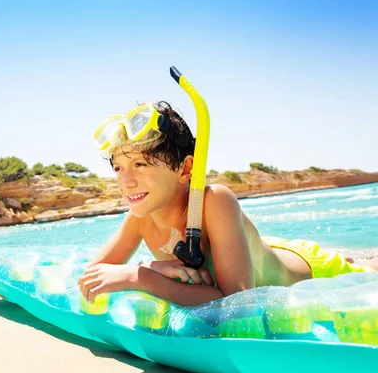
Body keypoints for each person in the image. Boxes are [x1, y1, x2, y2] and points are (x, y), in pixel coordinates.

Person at [78, 101, 377, 306]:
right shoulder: (140, 214)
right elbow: (90, 278)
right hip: (260, 249)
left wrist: (140, 275)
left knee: (367, 271)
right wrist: (156, 267)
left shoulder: (214, 200)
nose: (126, 181)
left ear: (184, 169)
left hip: (310, 268)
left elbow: (238, 302)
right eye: (118, 167)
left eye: (141, 165)